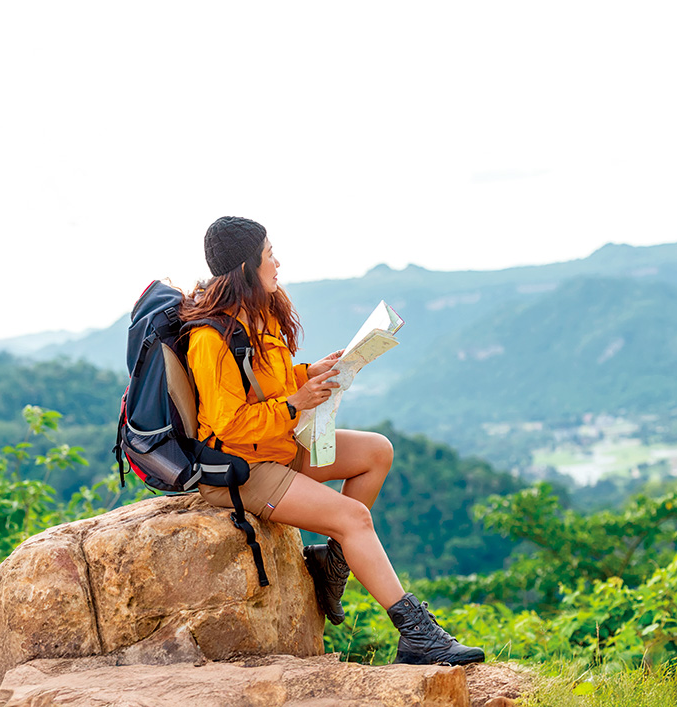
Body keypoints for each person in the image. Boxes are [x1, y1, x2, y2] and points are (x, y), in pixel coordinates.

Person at [181, 215, 484, 666]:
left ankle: (329, 565)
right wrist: (296, 403)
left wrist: (311, 373)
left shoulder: (251, 317)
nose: (277, 263)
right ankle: (416, 634)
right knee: (354, 517)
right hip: (239, 471)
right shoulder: (211, 338)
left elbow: (265, 386)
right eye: (268, 256)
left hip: (275, 447)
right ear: (246, 267)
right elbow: (229, 426)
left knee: (376, 451)